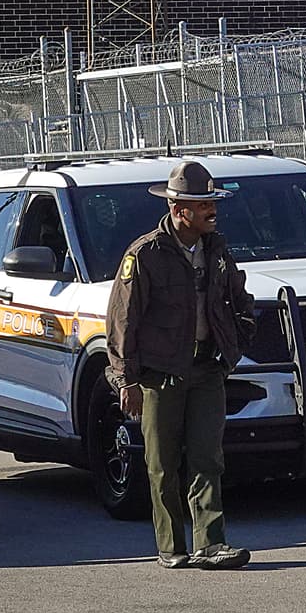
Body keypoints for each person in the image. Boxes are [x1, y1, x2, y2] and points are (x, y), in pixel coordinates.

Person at [106, 160, 258, 569]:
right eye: (202, 203)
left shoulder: (217, 248)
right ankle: (172, 547)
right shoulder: (145, 254)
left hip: (207, 370)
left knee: (208, 458)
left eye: (213, 202)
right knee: (162, 464)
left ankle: (211, 544)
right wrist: (127, 380)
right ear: (178, 209)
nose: (212, 210)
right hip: (160, 376)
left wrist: (235, 346)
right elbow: (122, 321)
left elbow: (240, 299)